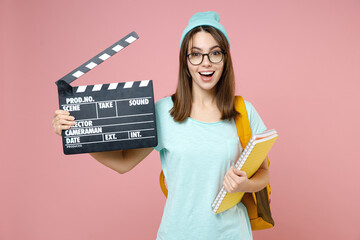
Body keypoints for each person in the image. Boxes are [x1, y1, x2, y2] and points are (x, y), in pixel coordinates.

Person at [53, 11, 270, 240]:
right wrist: (78, 135)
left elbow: (264, 172)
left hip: (232, 234)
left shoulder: (244, 111)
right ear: (185, 62)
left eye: (215, 53)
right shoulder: (164, 112)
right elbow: (124, 162)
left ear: (225, 59)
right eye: (196, 54)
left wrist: (245, 185)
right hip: (177, 233)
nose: (206, 63)